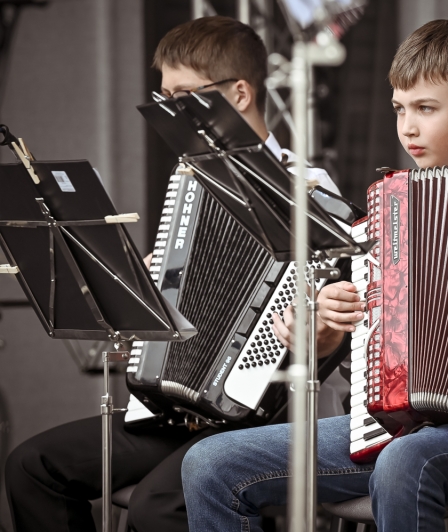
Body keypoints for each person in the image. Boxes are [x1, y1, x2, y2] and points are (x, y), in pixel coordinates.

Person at [181, 19, 448, 532]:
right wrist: (329, 325)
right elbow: (350, 347)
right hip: (394, 428)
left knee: (404, 463)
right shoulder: (390, 211)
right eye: (399, 109)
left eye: (425, 109)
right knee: (210, 464)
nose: (407, 127)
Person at [4, 16, 347, 532]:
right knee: (32, 466)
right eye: (163, 95)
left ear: (238, 94)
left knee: (158, 505)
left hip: (260, 417)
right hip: (174, 412)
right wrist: (154, 290)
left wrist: (304, 326)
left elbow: (325, 343)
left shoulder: (309, 192)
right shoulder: (190, 179)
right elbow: (193, 294)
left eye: (183, 95)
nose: (168, 111)